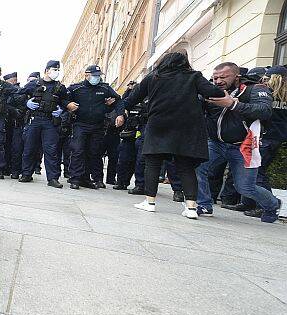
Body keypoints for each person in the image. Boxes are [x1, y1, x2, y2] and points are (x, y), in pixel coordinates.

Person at [115, 52, 226, 219]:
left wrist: (122, 111)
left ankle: (150, 202)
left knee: (152, 163)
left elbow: (132, 98)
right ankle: (191, 208)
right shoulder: (194, 76)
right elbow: (214, 92)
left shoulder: (154, 77)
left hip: (159, 124)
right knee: (186, 166)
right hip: (187, 126)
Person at [195, 62, 282, 223]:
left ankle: (272, 204)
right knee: (197, 166)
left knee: (245, 188)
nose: (218, 81)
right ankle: (204, 204)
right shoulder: (211, 92)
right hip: (216, 143)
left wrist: (232, 104)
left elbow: (264, 111)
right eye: (215, 78)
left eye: (223, 77)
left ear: (237, 76)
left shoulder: (255, 89)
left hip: (243, 146)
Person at [240, 65, 287, 218]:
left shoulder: (268, 94)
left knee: (257, 171)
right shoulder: (284, 96)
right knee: (258, 170)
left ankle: (267, 204)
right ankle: (251, 202)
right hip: (278, 138)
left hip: (265, 136)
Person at [15, 60, 70, 186]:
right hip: (34, 119)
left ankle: (52, 179)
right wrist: (26, 103)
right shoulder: (33, 84)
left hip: (50, 121)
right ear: (46, 70)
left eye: (58, 70)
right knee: (29, 148)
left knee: (51, 150)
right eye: (54, 70)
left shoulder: (60, 87)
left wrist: (62, 110)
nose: (56, 72)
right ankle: (26, 174)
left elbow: (66, 102)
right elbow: (17, 97)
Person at [67, 65, 121, 189]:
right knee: (78, 150)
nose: (97, 78)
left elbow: (118, 100)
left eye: (98, 76)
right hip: (80, 124)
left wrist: (120, 114)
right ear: (87, 75)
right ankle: (75, 179)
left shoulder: (104, 88)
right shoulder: (76, 88)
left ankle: (89, 178)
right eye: (95, 75)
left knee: (94, 152)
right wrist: (68, 104)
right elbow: (64, 99)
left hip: (97, 126)